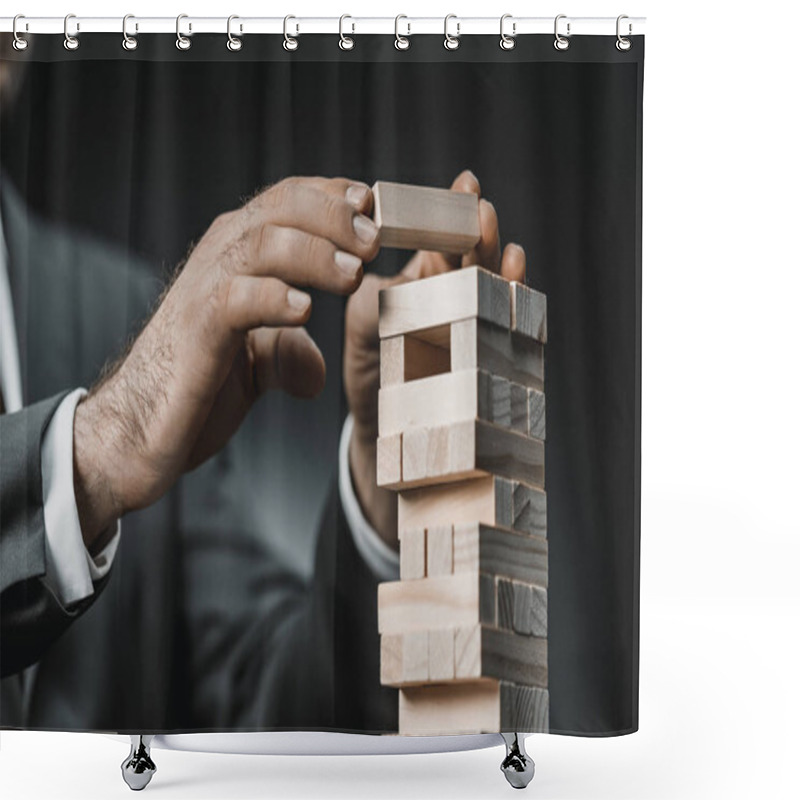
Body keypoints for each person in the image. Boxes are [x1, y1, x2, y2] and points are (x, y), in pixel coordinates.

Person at [0, 46, 526, 730]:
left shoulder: (130, 318)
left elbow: (267, 703)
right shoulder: (139, 374)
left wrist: (390, 495)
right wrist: (97, 450)